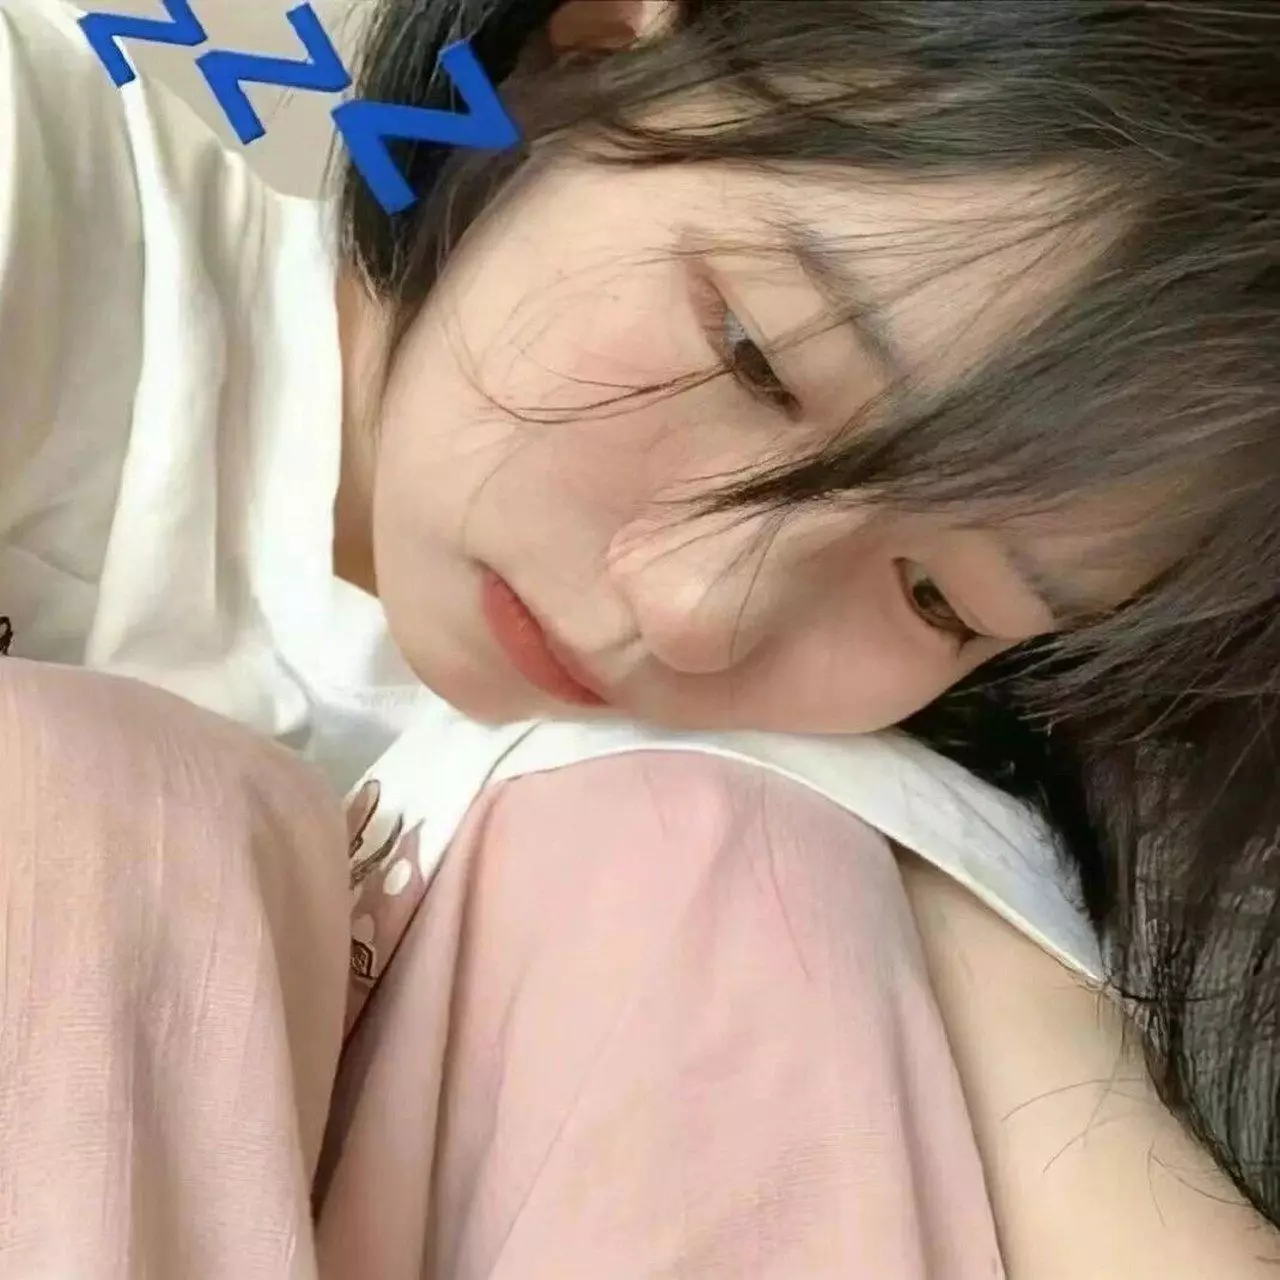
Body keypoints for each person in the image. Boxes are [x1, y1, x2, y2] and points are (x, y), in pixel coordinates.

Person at [1, 0, 1278, 1266]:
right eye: (753, 357)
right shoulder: (47, 208)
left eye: (938, 599)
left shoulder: (794, 806)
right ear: (604, 38)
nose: (690, 614)